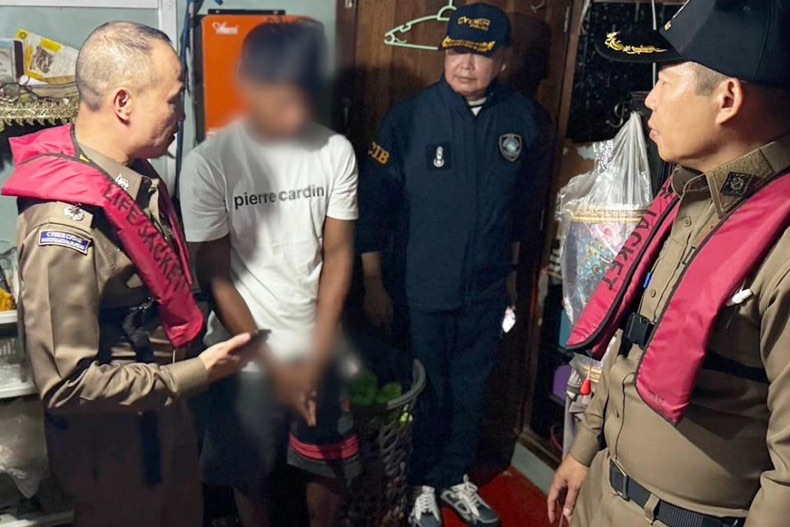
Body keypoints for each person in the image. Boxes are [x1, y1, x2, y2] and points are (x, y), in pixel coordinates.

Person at [1, 22, 254, 527]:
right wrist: (198, 372)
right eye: (174, 100)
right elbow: (68, 384)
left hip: (165, 422)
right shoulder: (64, 225)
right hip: (119, 455)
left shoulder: (130, 176)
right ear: (123, 102)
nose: (182, 115)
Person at [547, 1, 790, 526]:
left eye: (664, 81)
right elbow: (635, 344)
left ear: (727, 99)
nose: (649, 100)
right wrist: (585, 448)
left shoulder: (781, 246)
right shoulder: (685, 194)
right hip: (605, 489)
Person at [358, 4, 551, 526]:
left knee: (471, 387)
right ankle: (420, 482)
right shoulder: (409, 118)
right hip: (420, 287)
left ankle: (453, 475)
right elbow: (373, 209)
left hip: (486, 289)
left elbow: (521, 214)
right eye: (457, 50)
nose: (466, 64)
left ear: (504, 59)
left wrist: (511, 277)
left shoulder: (525, 121)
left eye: (480, 54)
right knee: (428, 388)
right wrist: (373, 282)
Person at [179, 19, 361, 527]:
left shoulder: (335, 152)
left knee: (329, 473)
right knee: (250, 477)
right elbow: (216, 279)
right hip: (244, 355)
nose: (296, 114)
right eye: (281, 101)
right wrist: (278, 371)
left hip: (318, 345)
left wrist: (317, 353)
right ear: (247, 80)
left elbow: (338, 255)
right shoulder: (209, 164)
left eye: (304, 98)